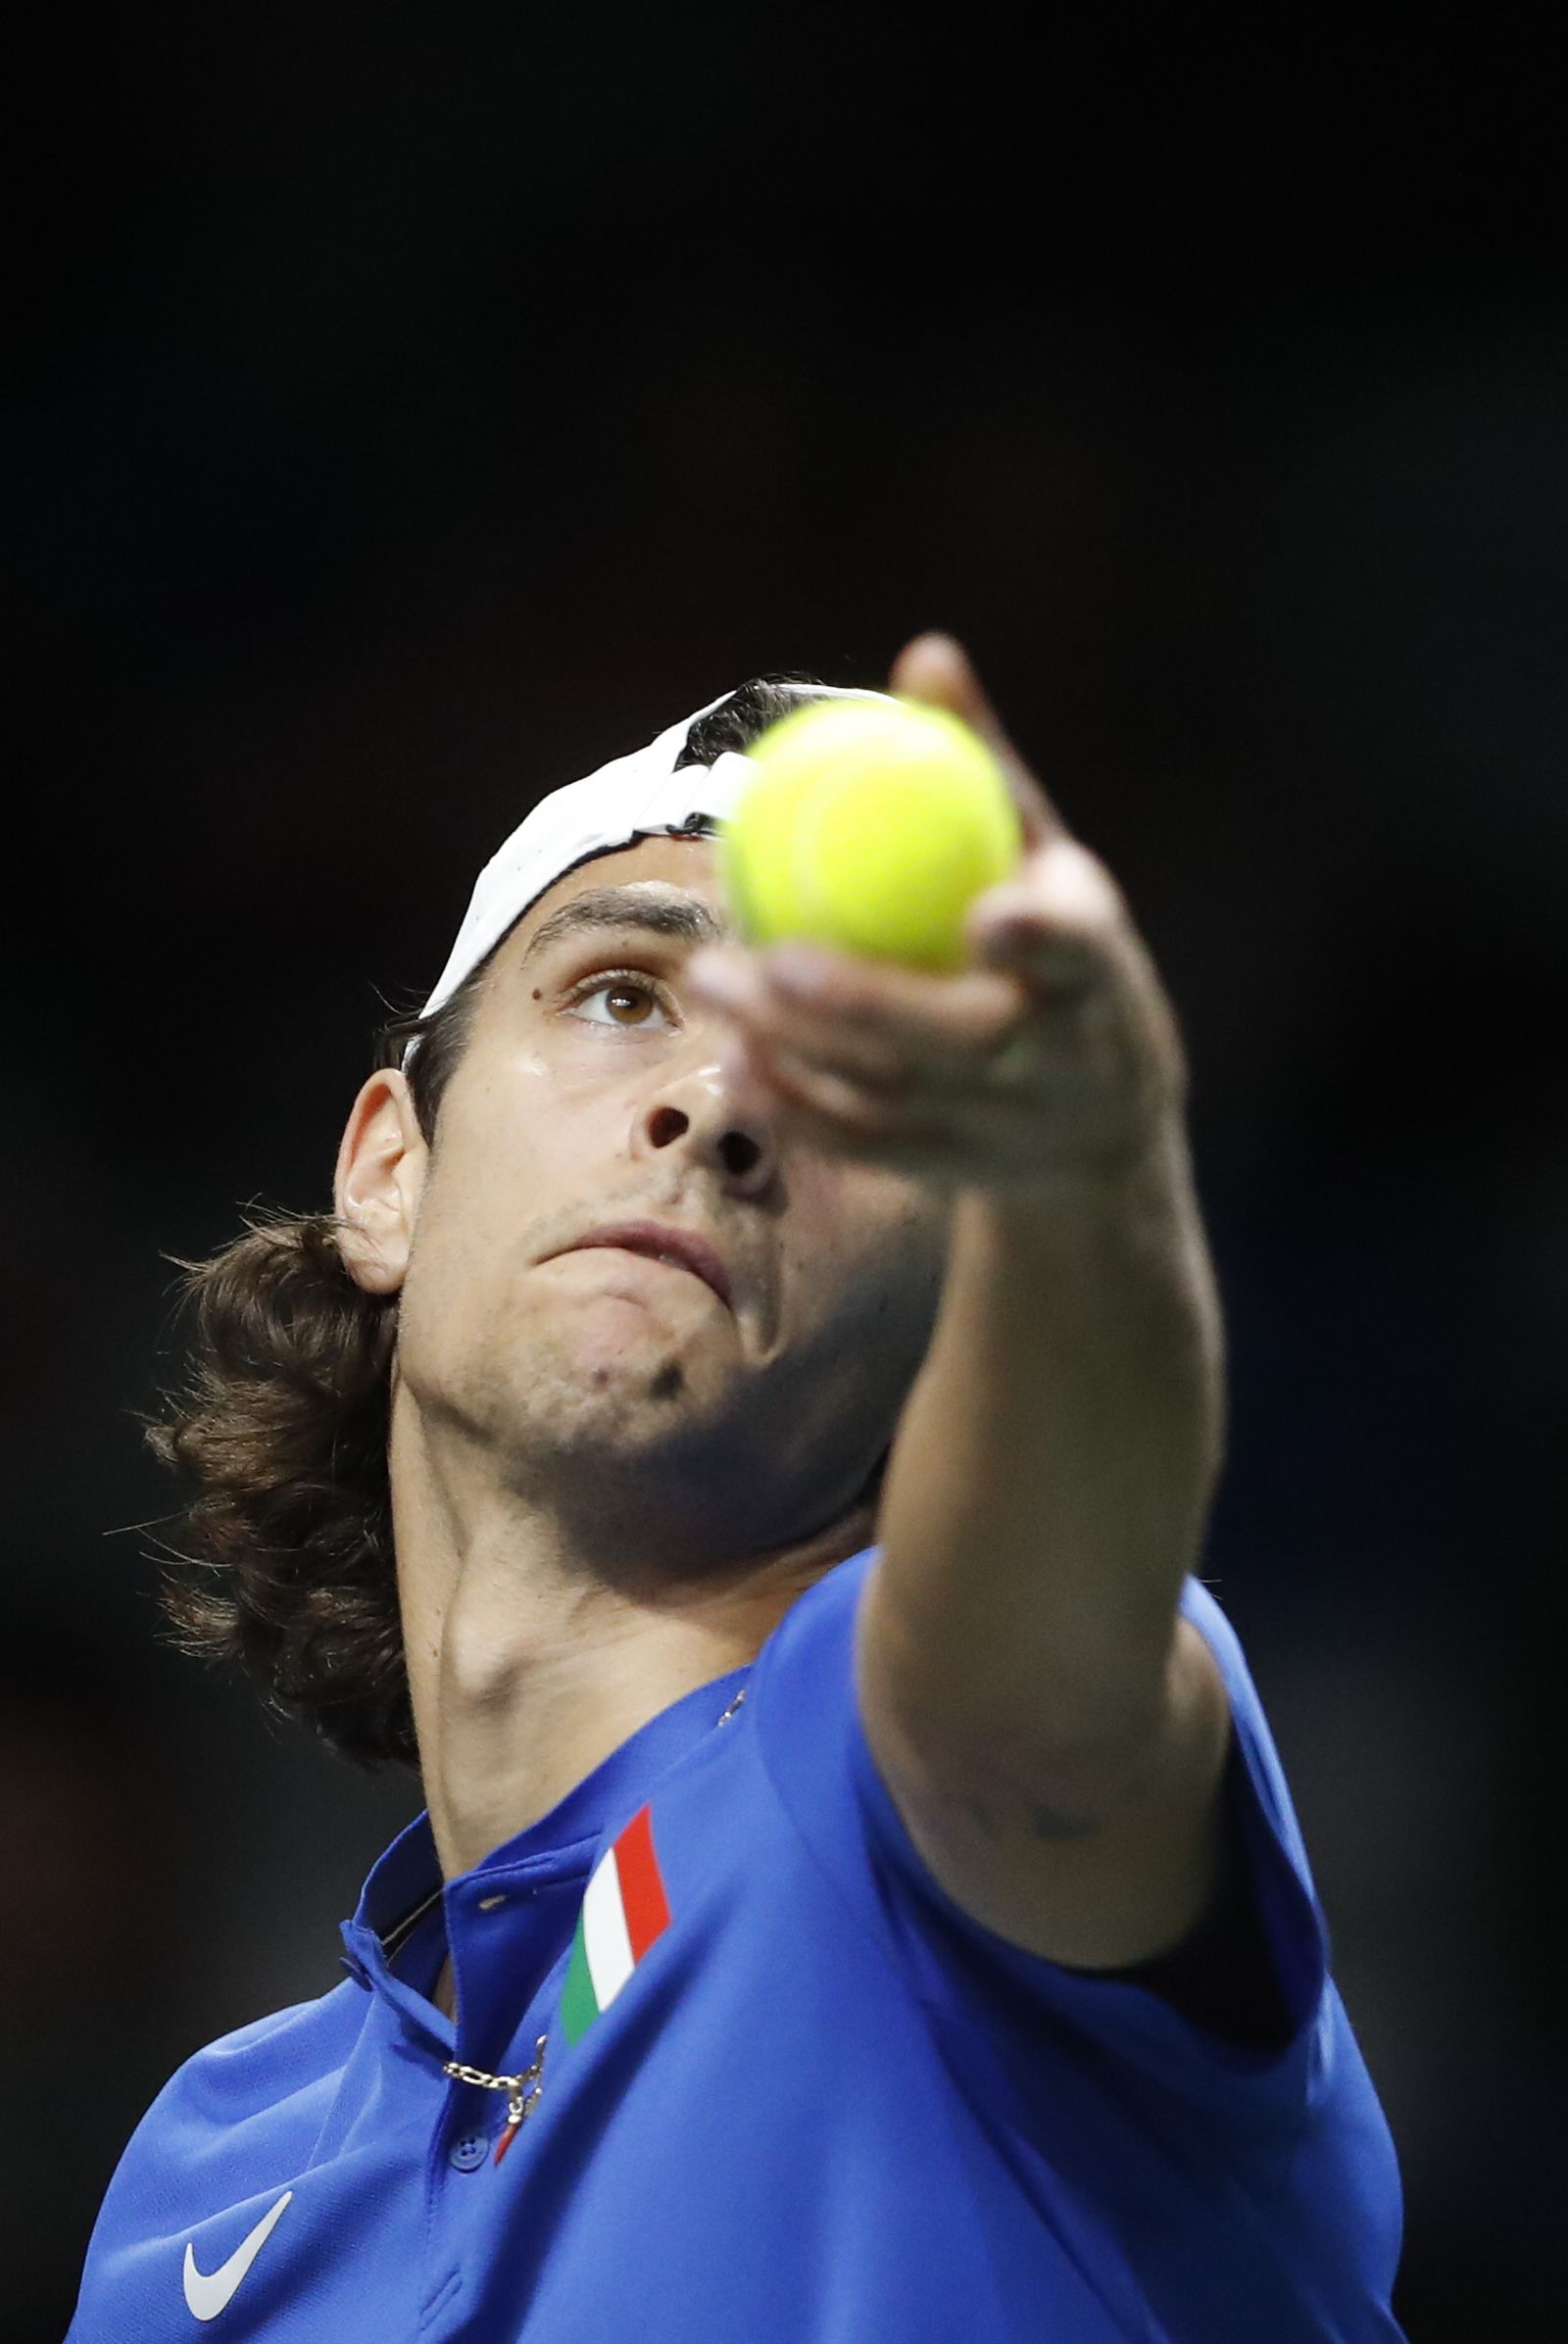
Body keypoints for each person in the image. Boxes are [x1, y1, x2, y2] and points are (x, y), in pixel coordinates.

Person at [66, 634, 1407, 2341]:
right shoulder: (201, 2180)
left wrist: (1080, 1186)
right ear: (390, 1170)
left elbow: (1044, 1680)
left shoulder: (909, 1787)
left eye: (855, 1090)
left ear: (950, 1316)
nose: (716, 1104)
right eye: (624, 995)